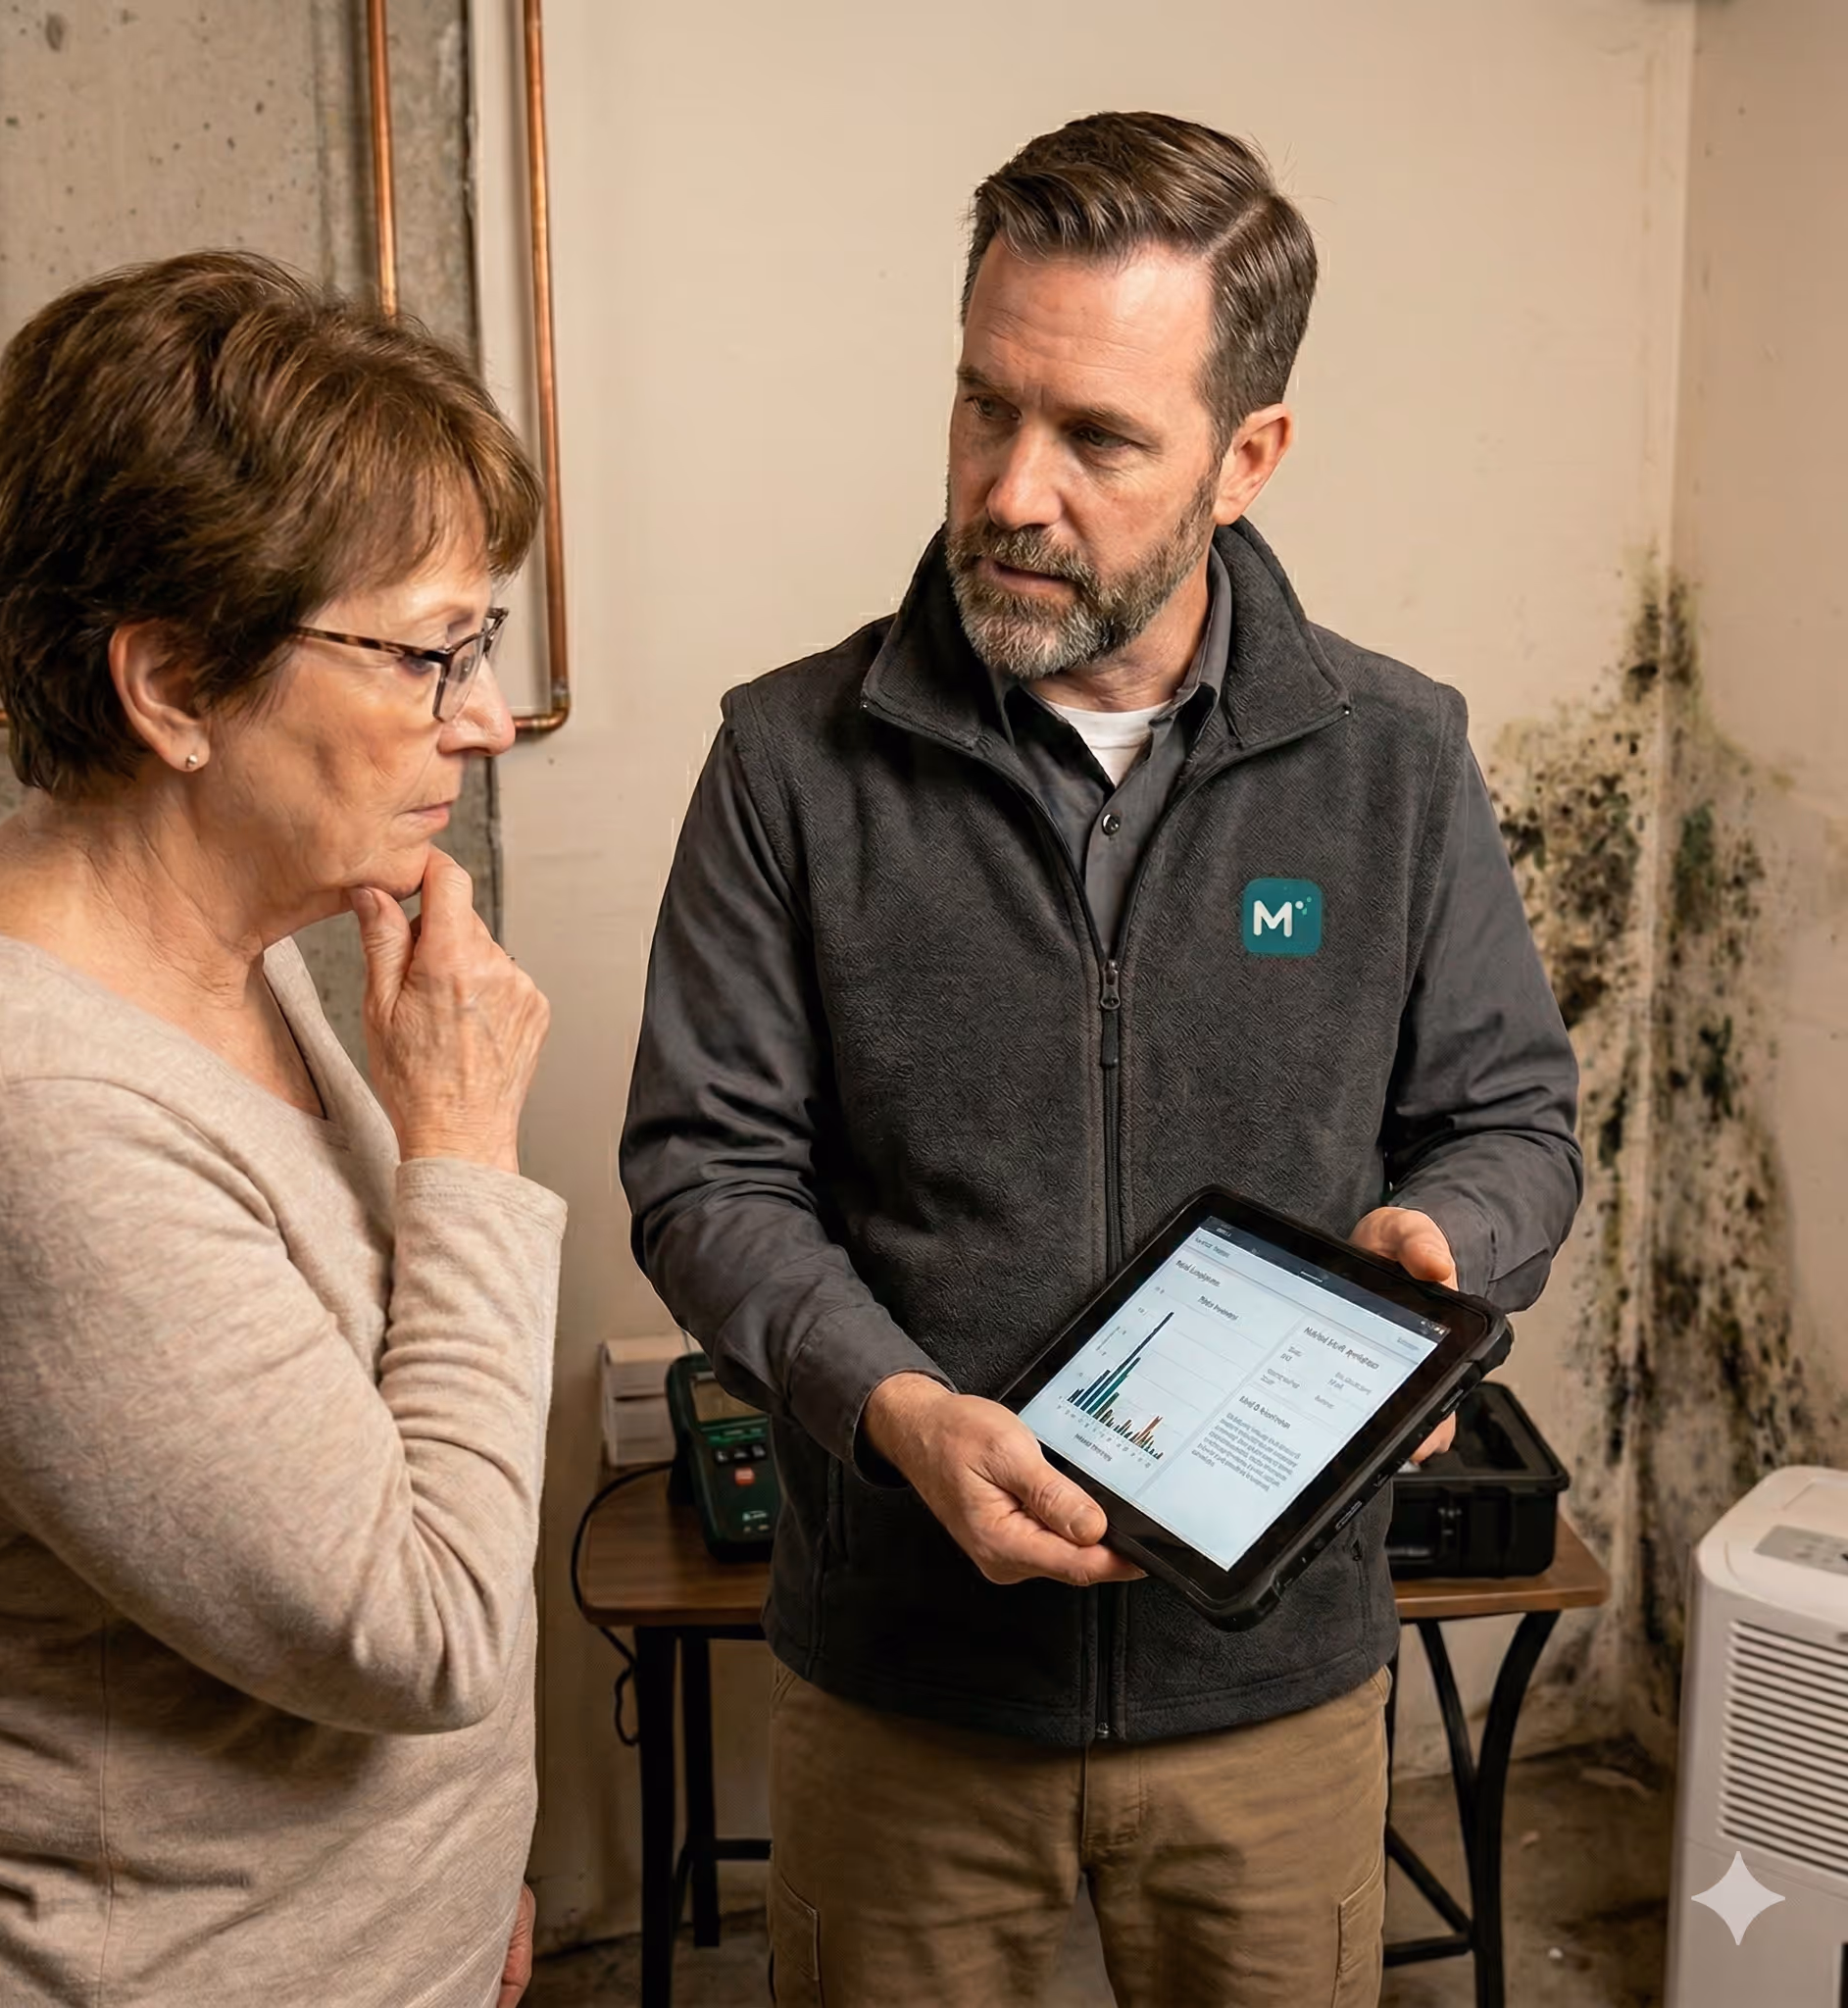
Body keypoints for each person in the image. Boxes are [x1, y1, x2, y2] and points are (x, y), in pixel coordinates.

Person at [622, 113, 1582, 2007]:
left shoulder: (1395, 757)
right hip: (903, 1694)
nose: (1011, 489)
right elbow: (704, 1175)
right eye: (985, 407)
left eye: (1099, 438)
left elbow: (1510, 1120)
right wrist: (895, 1410)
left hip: (1274, 1701)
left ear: (1250, 458)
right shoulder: (786, 762)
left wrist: (1440, 1246)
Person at [0, 252, 563, 2008]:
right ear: (171, 685)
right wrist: (461, 1151)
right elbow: (423, 1628)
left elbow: (330, 1469)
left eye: (478, 643)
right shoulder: (26, 1124)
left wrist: (459, 1894)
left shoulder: (232, 947)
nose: (478, 716)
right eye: (423, 653)